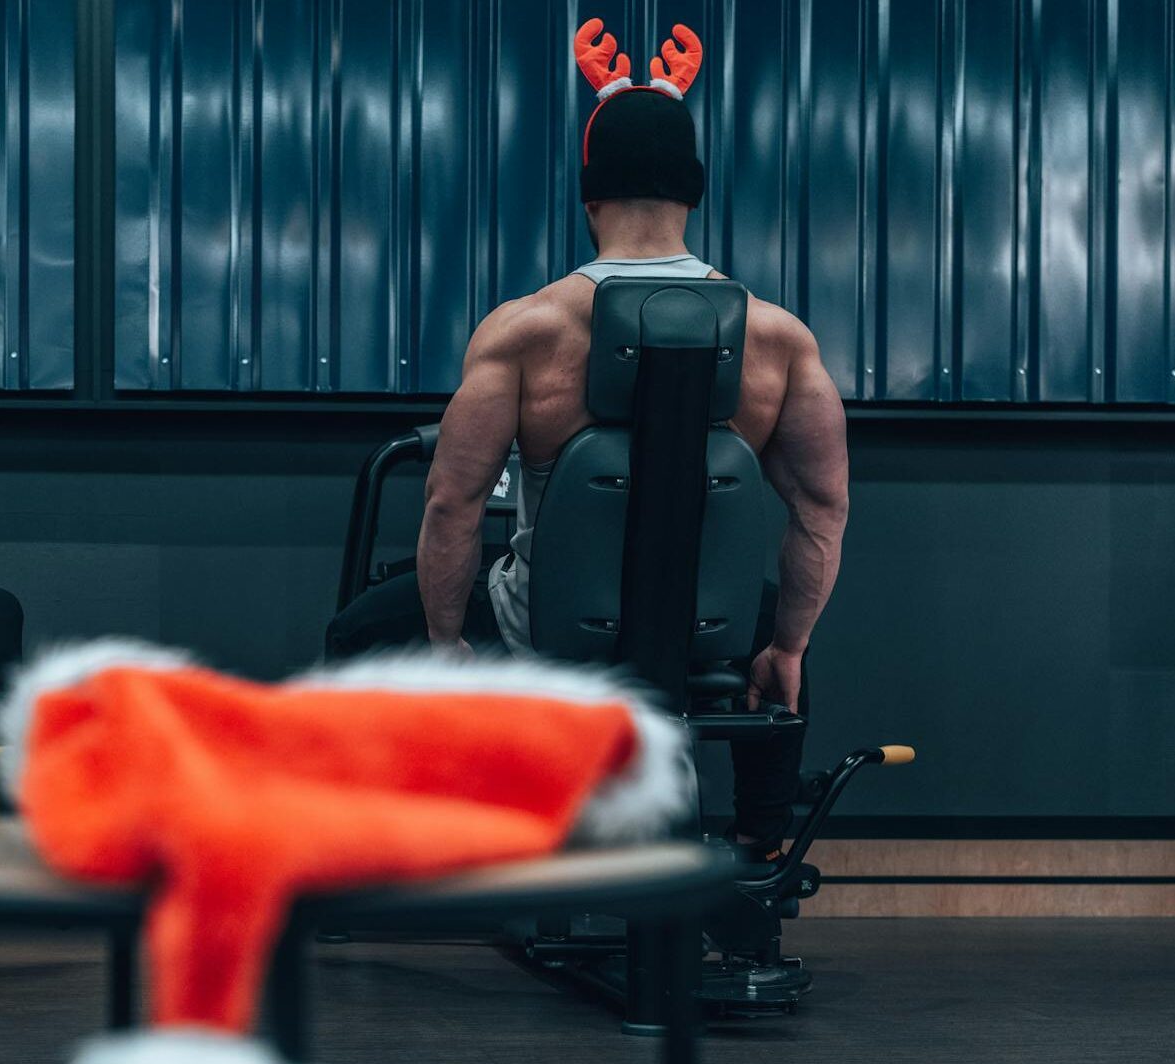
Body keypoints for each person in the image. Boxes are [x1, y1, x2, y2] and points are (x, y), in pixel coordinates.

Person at [326, 21, 850, 864]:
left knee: (356, 631)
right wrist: (787, 649)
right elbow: (822, 510)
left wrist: (450, 644)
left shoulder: (524, 332)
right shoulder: (782, 340)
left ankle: (373, 859)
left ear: (589, 197)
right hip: (703, 639)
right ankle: (761, 848)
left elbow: (453, 503)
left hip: (543, 626)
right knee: (767, 626)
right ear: (693, 192)